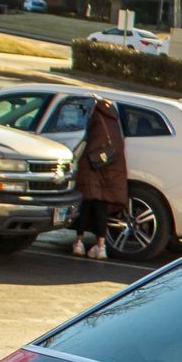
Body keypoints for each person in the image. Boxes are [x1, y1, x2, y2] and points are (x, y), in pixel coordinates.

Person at [72, 96, 127, 259]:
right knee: (101, 206)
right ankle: (101, 247)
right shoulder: (115, 119)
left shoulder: (92, 115)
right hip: (110, 166)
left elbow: (82, 137)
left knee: (86, 204)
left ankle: (79, 243)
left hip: (91, 164)